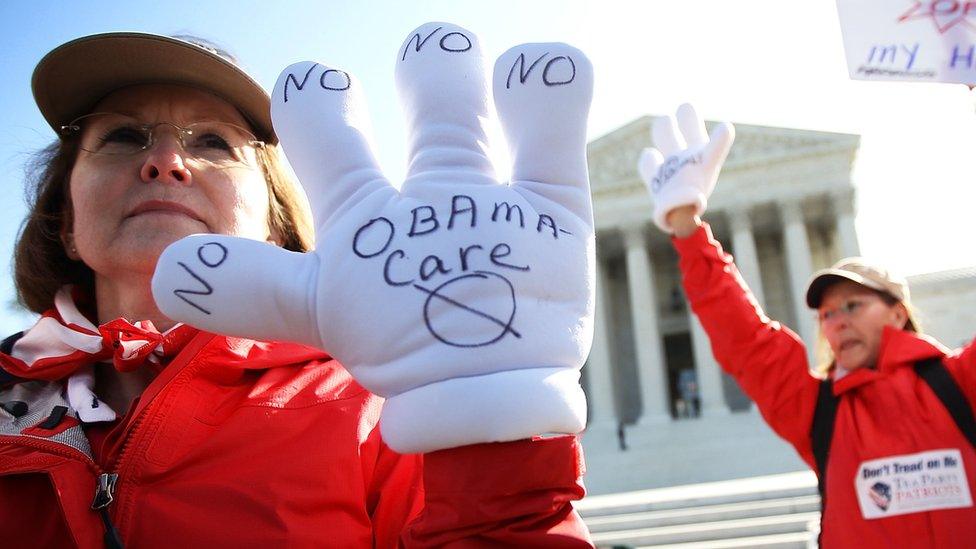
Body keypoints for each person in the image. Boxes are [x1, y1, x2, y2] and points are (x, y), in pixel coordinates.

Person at [0, 28, 595, 548]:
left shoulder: (382, 399)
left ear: (275, 225)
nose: (165, 161)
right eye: (123, 137)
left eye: (212, 141)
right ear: (67, 224)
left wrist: (495, 432)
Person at [638, 103, 976, 548]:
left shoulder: (960, 383)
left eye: (853, 305)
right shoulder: (817, 409)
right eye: (828, 315)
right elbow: (744, 339)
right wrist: (685, 224)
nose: (837, 324)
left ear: (897, 311)